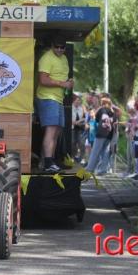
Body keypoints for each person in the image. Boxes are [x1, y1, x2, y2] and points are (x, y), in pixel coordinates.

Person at [36, 35, 73, 173]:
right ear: (52, 46)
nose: (58, 49)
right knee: (51, 130)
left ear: (65, 47)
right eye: (56, 47)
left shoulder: (64, 58)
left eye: (62, 47)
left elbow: (61, 76)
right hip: (47, 97)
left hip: (58, 98)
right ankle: (47, 163)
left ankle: (50, 160)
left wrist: (69, 83)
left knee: (57, 131)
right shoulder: (46, 58)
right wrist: (62, 83)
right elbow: (43, 80)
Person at [85, 97, 116, 175]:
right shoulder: (113, 112)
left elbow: (96, 119)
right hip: (109, 133)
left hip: (101, 132)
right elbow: (115, 122)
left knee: (95, 151)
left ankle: (90, 168)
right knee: (105, 151)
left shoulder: (101, 110)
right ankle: (103, 170)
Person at [72, 94, 86, 163]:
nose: (78, 102)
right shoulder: (70, 108)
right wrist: (78, 121)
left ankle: (81, 158)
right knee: (73, 143)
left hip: (80, 129)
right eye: (77, 100)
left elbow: (84, 118)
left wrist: (81, 122)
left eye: (79, 101)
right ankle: (73, 157)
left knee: (81, 143)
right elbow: (71, 121)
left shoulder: (81, 108)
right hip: (72, 129)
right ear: (73, 101)